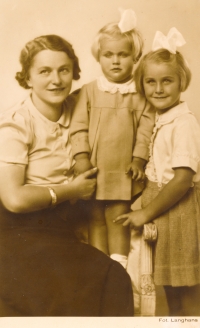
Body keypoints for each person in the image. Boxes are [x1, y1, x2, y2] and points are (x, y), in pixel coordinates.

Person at [0, 34, 134, 316]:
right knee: (66, 290)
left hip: (60, 227)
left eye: (64, 70)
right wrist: (72, 191)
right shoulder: (16, 123)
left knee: (113, 277)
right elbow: (13, 199)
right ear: (27, 77)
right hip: (16, 230)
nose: (56, 80)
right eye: (44, 71)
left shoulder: (81, 107)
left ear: (74, 72)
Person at [115, 27, 200, 316]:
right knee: (167, 287)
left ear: (181, 82)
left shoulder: (184, 123)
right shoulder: (161, 117)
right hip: (162, 205)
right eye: (150, 82)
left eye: (167, 81)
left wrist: (144, 213)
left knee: (183, 287)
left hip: (178, 208)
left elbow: (182, 180)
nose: (159, 89)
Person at [70, 8, 155, 269]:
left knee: (117, 215)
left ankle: (119, 269)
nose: (115, 61)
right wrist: (82, 157)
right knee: (94, 216)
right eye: (108, 55)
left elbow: (146, 128)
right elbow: (78, 126)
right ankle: (100, 268)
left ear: (135, 57)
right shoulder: (89, 91)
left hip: (123, 168)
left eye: (123, 54)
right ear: (99, 57)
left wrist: (139, 159)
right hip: (95, 167)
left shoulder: (140, 93)